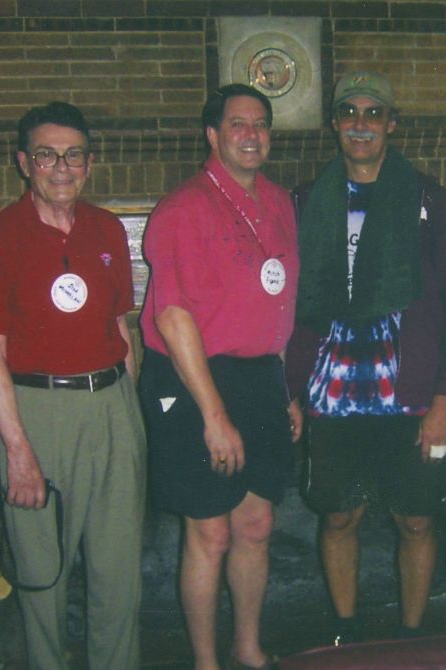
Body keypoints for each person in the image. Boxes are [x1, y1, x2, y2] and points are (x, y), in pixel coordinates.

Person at [284, 71, 446, 644]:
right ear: (336, 124)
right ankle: (345, 631)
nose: (361, 124)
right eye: (350, 113)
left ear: (392, 124)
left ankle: (412, 637)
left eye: (374, 113)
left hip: (410, 392)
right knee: (339, 516)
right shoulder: (304, 202)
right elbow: (288, 306)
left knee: (415, 519)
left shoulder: (428, 200)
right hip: (332, 390)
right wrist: (290, 389)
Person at [0, 102, 145, 669]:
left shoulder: (108, 229)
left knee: (119, 573)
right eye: (47, 154)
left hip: (112, 404)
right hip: (37, 412)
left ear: (89, 163)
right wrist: (18, 451)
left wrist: (130, 416)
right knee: (44, 573)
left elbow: (122, 327)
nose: (61, 167)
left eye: (73, 155)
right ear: (24, 163)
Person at [138, 84, 298, 670]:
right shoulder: (183, 208)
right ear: (212, 134)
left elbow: (275, 303)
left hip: (259, 376)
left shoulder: (279, 202)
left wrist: (282, 388)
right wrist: (213, 415)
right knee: (210, 533)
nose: (251, 135)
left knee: (255, 522)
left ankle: (248, 647)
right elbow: (172, 316)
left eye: (260, 124)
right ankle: (206, 663)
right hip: (192, 379)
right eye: (237, 124)